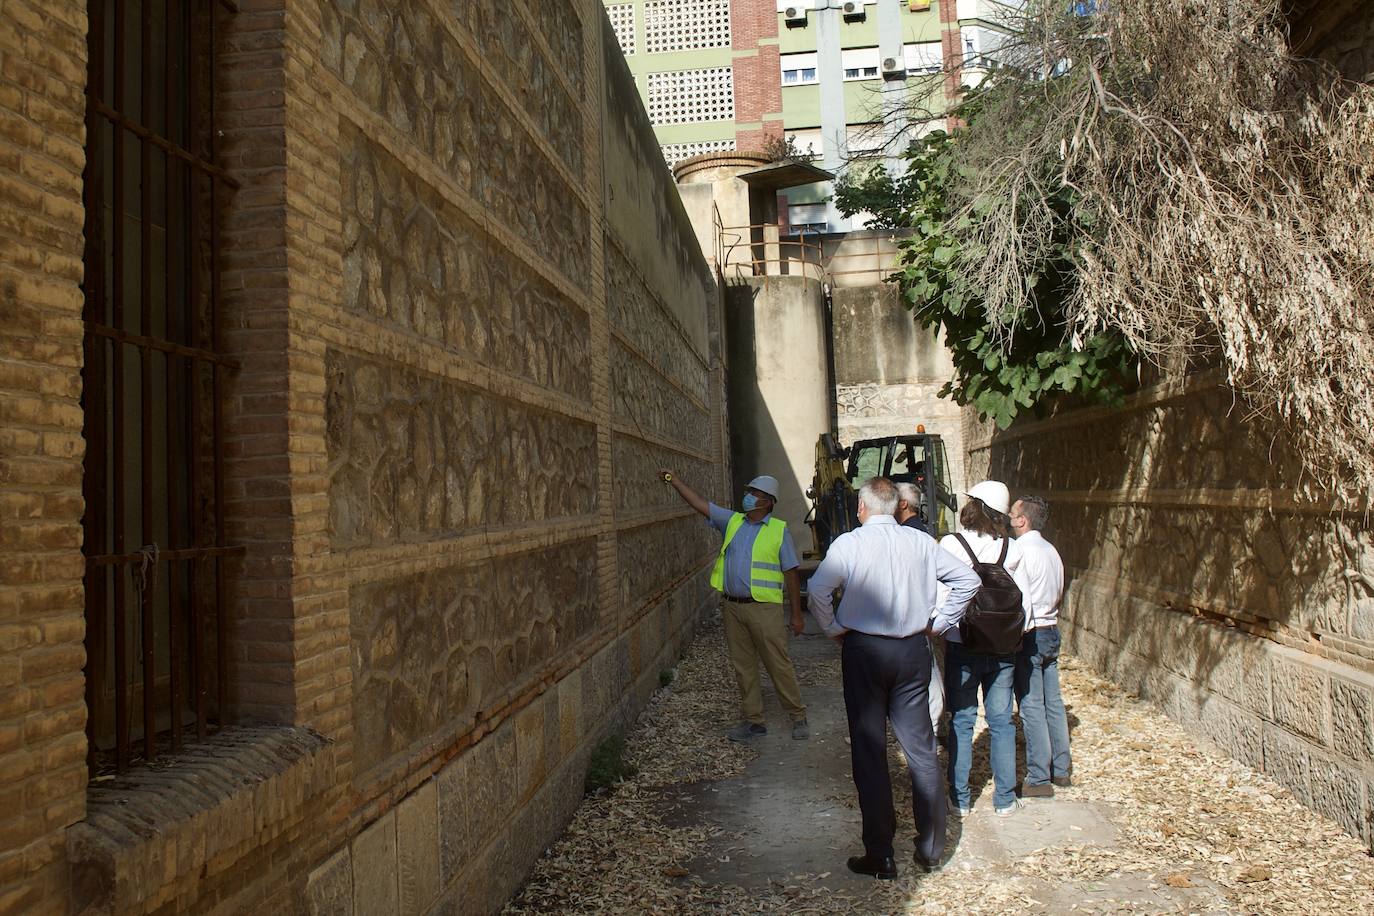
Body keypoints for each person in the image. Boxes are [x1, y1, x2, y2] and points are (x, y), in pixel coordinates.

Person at [807, 477, 981, 880]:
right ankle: (931, 846)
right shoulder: (921, 543)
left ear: (862, 508)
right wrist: (938, 622)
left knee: (869, 750)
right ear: (896, 506)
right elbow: (968, 581)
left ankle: (881, 853)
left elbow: (818, 589)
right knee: (920, 749)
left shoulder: (848, 544)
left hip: (864, 651)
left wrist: (834, 628)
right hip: (911, 651)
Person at [660, 469, 809, 741]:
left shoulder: (778, 531)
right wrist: (675, 481)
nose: (749, 497)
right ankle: (754, 722)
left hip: (764, 608)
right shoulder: (732, 521)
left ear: (768, 502)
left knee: (778, 663)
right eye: (749, 492)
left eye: (755, 494)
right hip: (733, 607)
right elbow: (699, 504)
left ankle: (798, 716)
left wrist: (797, 614)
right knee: (744, 665)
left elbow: (791, 573)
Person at [939, 480, 1032, 818]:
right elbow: (1026, 604)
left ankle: (961, 799)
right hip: (1004, 648)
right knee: (1002, 721)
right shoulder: (1012, 548)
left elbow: (940, 598)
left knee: (962, 720)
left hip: (963, 644)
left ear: (972, 507)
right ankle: (1005, 798)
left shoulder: (951, 543)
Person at [1009, 495, 1072, 796]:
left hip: (1031, 633)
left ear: (1023, 520)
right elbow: (1059, 590)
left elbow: (1021, 598)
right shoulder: (1052, 551)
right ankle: (1061, 769)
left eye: (1012, 515)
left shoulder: (1019, 551)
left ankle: (1038, 777)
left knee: (1031, 705)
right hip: (1052, 628)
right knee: (1054, 703)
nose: (1009, 519)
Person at [895, 481, 945, 729]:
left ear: (903, 504)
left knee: (927, 676)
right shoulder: (922, 533)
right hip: (925, 619)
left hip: (917, 621)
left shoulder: (910, 536)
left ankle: (932, 727)